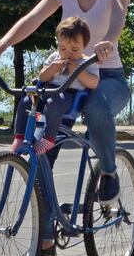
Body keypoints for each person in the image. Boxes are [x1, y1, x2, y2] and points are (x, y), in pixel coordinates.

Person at [0, 0, 130, 214]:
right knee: (42, 148)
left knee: (97, 107)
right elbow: (32, 19)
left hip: (106, 75)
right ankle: (44, 239)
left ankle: (108, 173)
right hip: (67, 77)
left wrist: (108, 43)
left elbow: (118, 18)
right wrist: (2, 45)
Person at [11, 17, 100, 154]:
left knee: (53, 103)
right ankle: (19, 137)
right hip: (47, 90)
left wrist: (77, 71)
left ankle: (48, 139)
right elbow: (42, 77)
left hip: (69, 95)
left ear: (84, 45)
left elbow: (93, 83)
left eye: (74, 49)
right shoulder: (54, 57)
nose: (68, 53)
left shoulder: (87, 62)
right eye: (63, 48)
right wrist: (52, 68)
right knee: (26, 101)